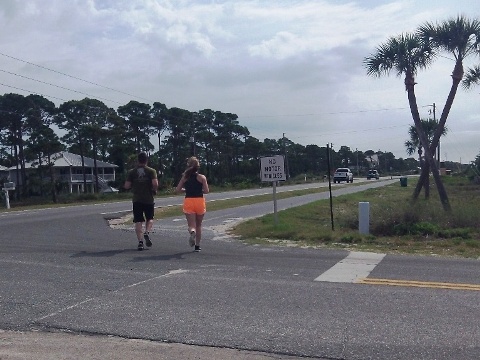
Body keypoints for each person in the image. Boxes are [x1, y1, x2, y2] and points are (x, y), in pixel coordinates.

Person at [124, 152, 158, 251]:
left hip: (137, 199)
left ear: (137, 160)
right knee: (150, 218)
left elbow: (126, 186)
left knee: (138, 221)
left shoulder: (132, 172)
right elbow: (155, 183)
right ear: (146, 160)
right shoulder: (151, 171)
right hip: (148, 199)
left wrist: (133, 186)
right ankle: (147, 232)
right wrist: (154, 190)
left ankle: (140, 242)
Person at [175, 156, 209, 252]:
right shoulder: (202, 177)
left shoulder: (185, 177)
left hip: (189, 200)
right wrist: (199, 189)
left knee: (191, 225)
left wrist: (186, 190)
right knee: (199, 225)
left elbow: (177, 190)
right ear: (198, 166)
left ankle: (192, 232)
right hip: (199, 201)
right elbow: (206, 191)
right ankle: (197, 246)